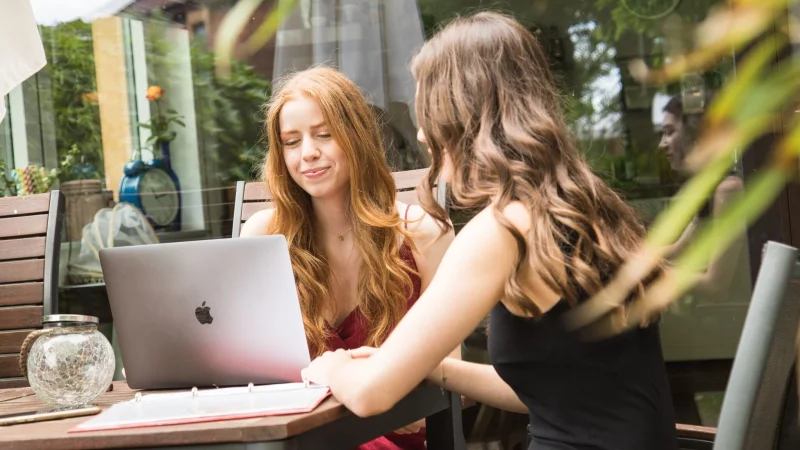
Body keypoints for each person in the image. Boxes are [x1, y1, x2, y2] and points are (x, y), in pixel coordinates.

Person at [301, 12, 678, 450]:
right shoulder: (582, 206)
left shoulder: (501, 231)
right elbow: (550, 389)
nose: (422, 133)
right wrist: (432, 368)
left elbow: (369, 395)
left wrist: (332, 368)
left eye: (429, 112)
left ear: (465, 115)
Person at [240, 66, 457, 450]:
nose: (308, 153)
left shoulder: (421, 233)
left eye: (324, 135)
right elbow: (241, 363)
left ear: (356, 136)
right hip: (292, 437)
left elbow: (449, 378)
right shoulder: (264, 236)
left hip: (387, 436)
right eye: (292, 142)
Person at [659, 95, 749, 302]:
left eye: (669, 132)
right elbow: (677, 249)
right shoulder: (710, 186)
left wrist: (652, 273)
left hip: (731, 324)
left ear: (696, 136)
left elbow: (715, 284)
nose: (662, 144)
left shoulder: (729, 190)